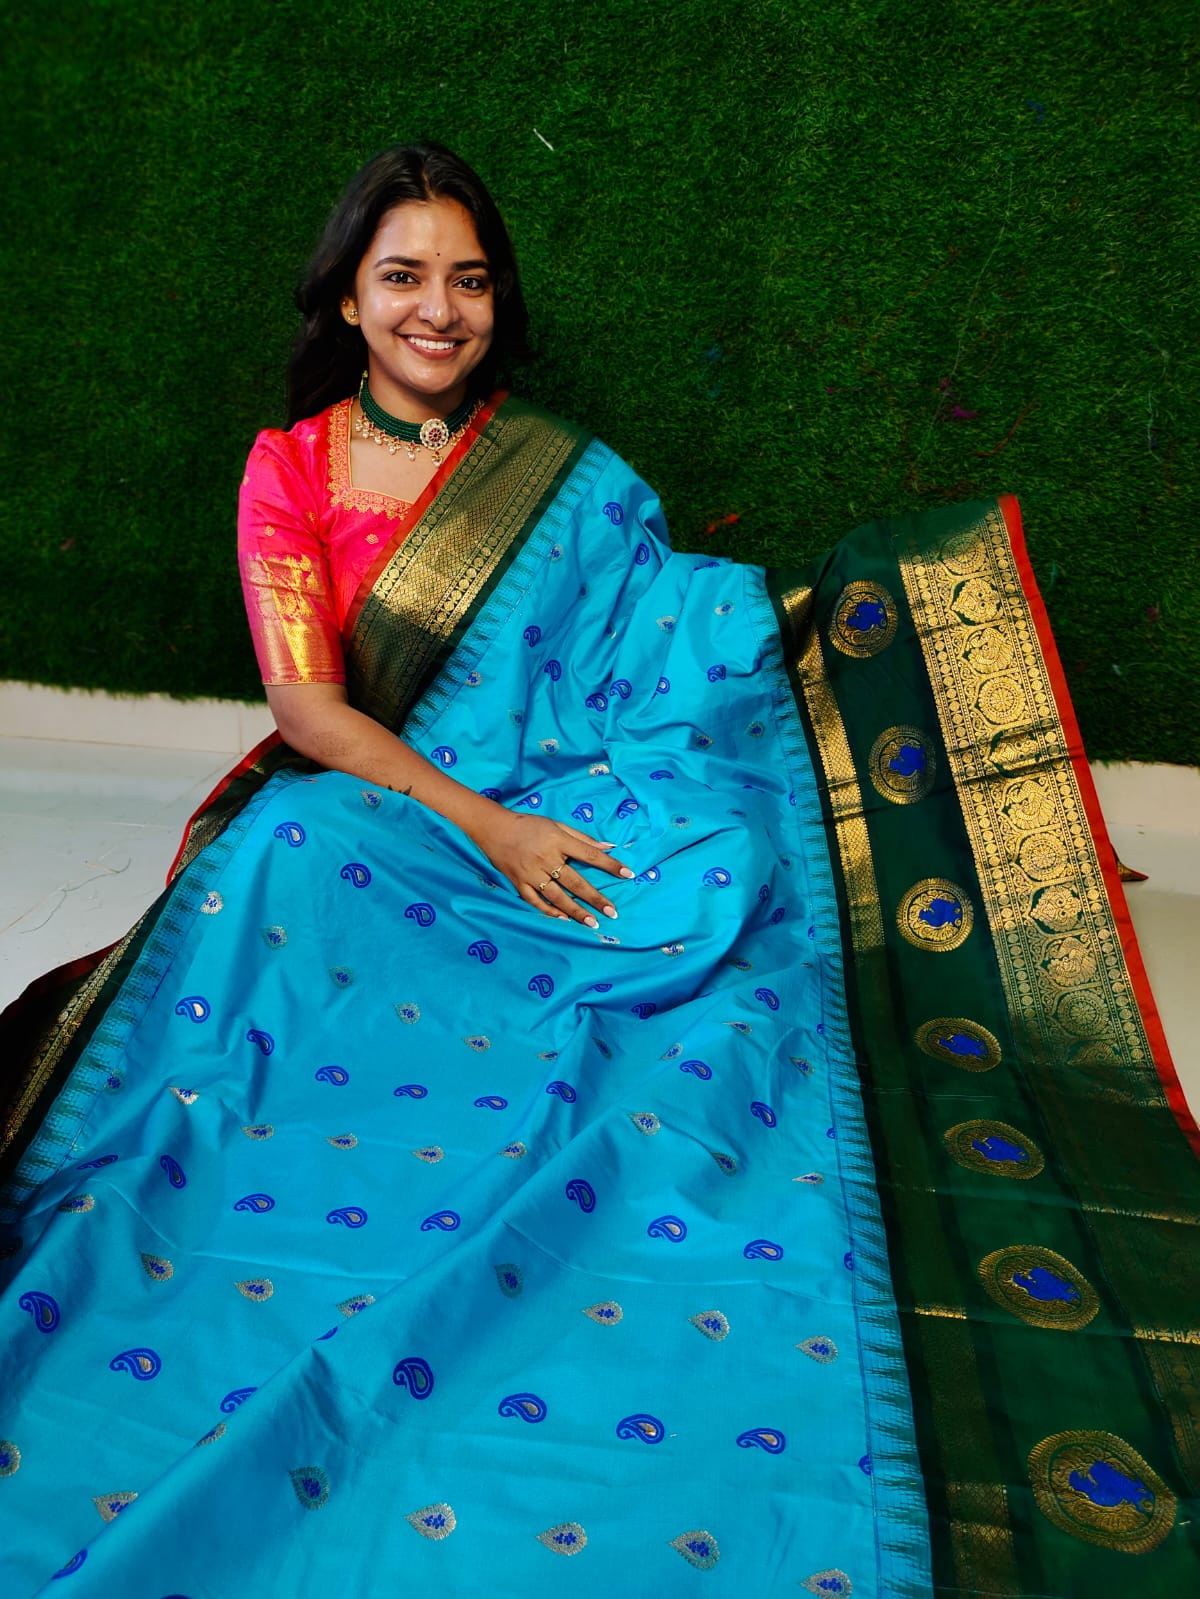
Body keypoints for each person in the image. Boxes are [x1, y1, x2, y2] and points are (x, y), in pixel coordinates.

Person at [1, 143, 1196, 1597]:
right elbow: (309, 710)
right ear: (348, 299)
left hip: (564, 784)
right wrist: (491, 826)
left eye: (468, 281)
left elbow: (659, 628)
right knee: (286, 849)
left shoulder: (562, 477)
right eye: (403, 277)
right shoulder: (291, 467)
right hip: (389, 798)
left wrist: (672, 756)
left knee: (716, 864)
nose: (438, 309)